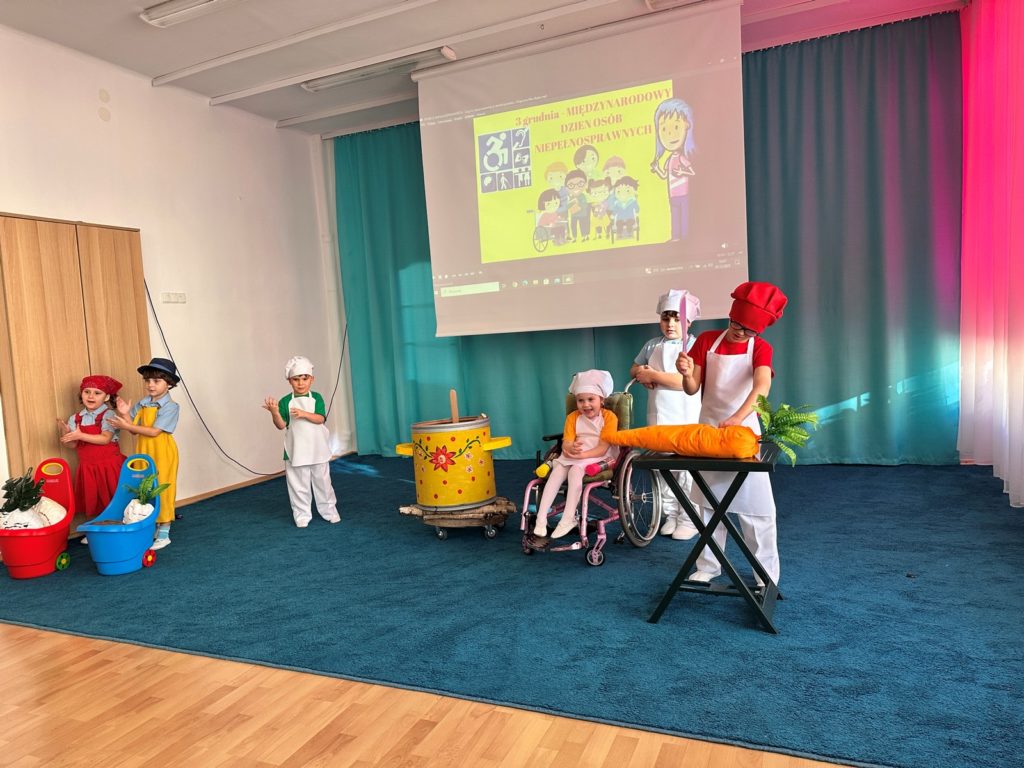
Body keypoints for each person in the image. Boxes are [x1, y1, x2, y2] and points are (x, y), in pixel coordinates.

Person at [676, 281, 788, 585]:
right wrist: (686, 373)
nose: (740, 333)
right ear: (731, 316)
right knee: (708, 504)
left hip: (744, 433)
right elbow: (692, 388)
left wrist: (738, 418)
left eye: (749, 330)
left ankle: (765, 574)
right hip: (710, 431)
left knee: (755, 508)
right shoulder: (707, 341)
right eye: (737, 324)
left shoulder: (760, 348)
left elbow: (762, 386)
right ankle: (708, 566)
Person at [631, 289, 702, 540]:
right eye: (665, 318)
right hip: (659, 413)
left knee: (686, 468)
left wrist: (653, 375)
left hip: (685, 413)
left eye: (677, 319)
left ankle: (690, 518)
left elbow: (684, 382)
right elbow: (634, 368)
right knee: (662, 466)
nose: (670, 324)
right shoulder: (652, 344)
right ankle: (670, 513)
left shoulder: (694, 345)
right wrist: (642, 374)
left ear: (689, 322)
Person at [532, 370, 618, 540]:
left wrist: (581, 456)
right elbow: (567, 441)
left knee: (575, 471)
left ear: (601, 400)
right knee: (557, 472)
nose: (585, 405)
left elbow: (602, 448)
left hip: (598, 454)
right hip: (576, 454)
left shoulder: (609, 418)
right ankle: (541, 518)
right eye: (581, 400)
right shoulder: (573, 417)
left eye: (591, 399)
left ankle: (568, 518)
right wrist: (570, 448)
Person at [110, 357, 180, 550]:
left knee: (163, 487)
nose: (150, 385)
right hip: (143, 449)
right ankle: (152, 523)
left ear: (169, 383)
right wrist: (125, 413)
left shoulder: (171, 406)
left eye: (156, 381)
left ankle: (164, 530)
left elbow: (155, 431)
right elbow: (133, 430)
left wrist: (127, 425)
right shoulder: (142, 403)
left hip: (162, 451)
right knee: (145, 486)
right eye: (148, 380)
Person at [263, 356, 340, 528]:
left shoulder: (316, 398)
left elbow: (320, 419)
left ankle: (329, 511)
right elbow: (281, 425)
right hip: (295, 450)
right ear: (289, 381)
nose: (300, 383)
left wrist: (304, 414)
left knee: (323, 483)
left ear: (312, 379)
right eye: (296, 379)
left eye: (305, 378)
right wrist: (275, 412)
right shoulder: (285, 401)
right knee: (298, 485)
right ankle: (302, 515)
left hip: (317, 449)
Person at [58, 375, 126, 540]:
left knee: (113, 498)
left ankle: (119, 530)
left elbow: (105, 439)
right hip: (88, 467)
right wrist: (66, 435)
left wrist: (80, 435)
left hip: (109, 466)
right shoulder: (75, 418)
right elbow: (73, 445)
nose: (91, 396)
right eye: (87, 392)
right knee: (93, 499)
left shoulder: (108, 414)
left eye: (97, 393)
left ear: (107, 397)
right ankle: (98, 531)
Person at [649, 98, 696, 241]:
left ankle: (685, 237)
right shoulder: (669, 159)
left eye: (675, 127)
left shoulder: (682, 157)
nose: (669, 134)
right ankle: (675, 237)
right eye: (664, 129)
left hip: (683, 194)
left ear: (687, 125)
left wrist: (682, 172)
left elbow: (692, 172)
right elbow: (665, 175)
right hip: (673, 194)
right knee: (674, 216)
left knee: (683, 215)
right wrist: (657, 169)